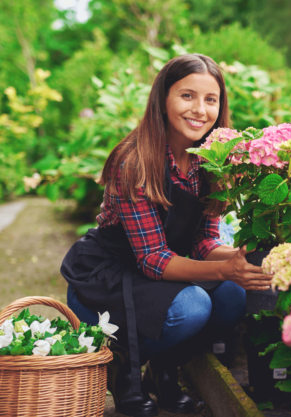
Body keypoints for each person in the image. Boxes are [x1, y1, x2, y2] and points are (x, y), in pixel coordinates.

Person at [61, 54, 273, 417]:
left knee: (237, 295)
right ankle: (123, 367)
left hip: (160, 278)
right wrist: (225, 271)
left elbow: (205, 244)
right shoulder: (135, 161)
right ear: (163, 100)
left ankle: (165, 368)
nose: (200, 110)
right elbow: (152, 258)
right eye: (187, 96)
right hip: (109, 280)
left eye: (211, 99)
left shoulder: (211, 161)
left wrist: (247, 257)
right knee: (194, 306)